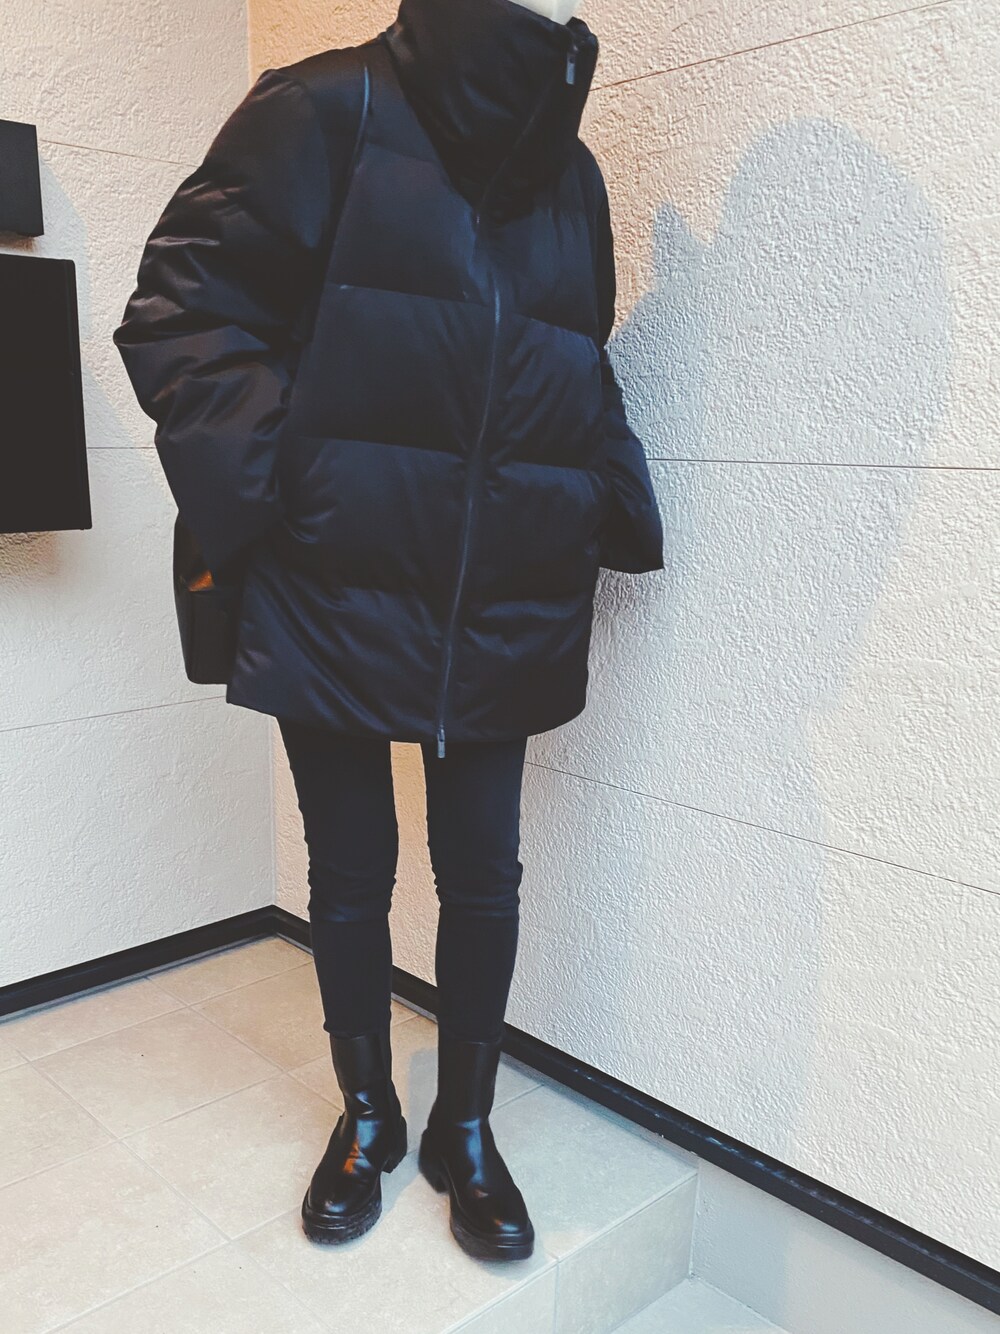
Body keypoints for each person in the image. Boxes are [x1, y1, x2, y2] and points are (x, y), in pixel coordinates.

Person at [113, 0, 663, 1265]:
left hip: (507, 582)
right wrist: (289, 495)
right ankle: (368, 1113)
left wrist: (596, 500)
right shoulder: (326, 108)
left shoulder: (572, 174)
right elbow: (181, 309)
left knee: (485, 871)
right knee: (350, 868)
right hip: (332, 578)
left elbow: (576, 356)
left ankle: (465, 1125)